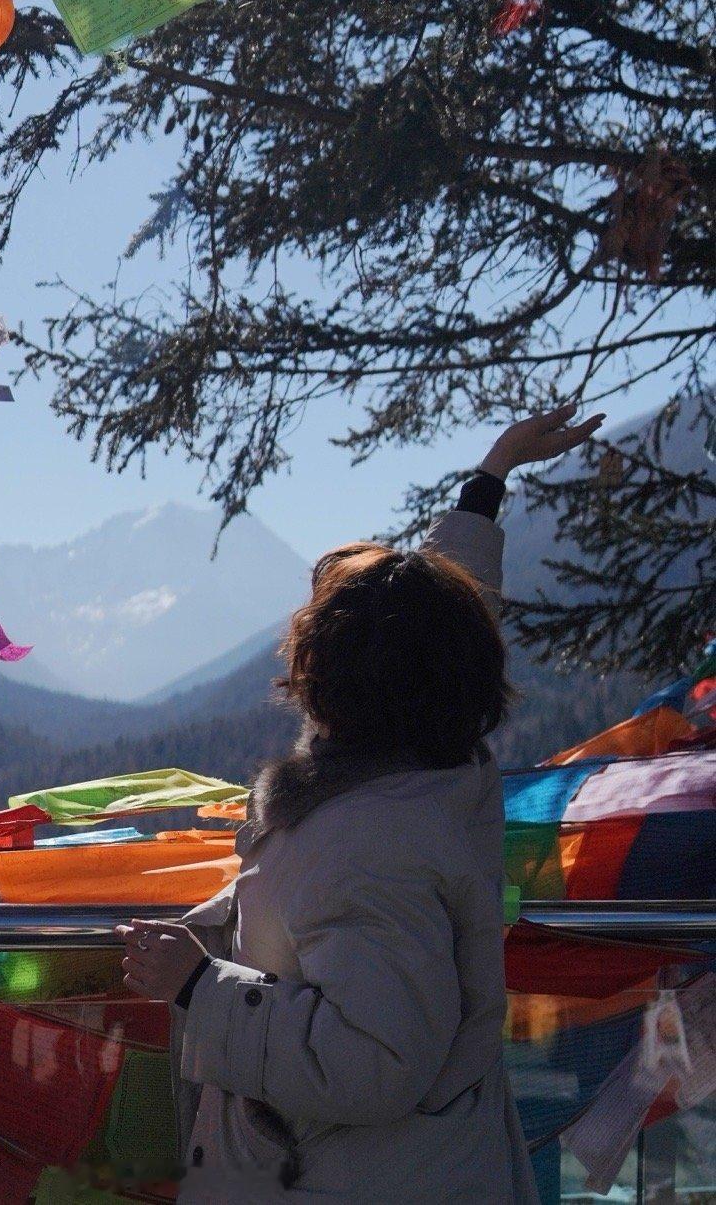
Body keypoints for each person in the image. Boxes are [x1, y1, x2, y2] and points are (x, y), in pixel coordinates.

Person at [118, 402, 604, 1203]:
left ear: (337, 680)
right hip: (430, 1167)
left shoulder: (369, 845)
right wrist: (490, 478)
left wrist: (198, 987)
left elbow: (374, 1064)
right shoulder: (443, 771)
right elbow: (436, 628)